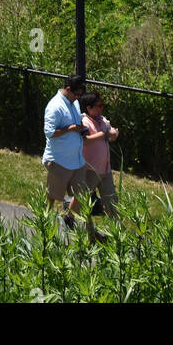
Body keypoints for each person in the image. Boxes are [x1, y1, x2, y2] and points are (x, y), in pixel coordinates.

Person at [42, 73, 102, 239]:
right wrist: (69, 129)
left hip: (76, 161)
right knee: (52, 198)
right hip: (59, 161)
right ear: (68, 89)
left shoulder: (74, 102)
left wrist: (81, 128)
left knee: (83, 197)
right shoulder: (55, 106)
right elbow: (49, 132)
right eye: (76, 94)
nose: (78, 97)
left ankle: (90, 233)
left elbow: (77, 122)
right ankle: (45, 230)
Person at [79, 92, 120, 218]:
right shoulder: (84, 122)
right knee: (85, 204)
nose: (102, 108)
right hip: (90, 170)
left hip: (105, 170)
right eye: (99, 105)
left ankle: (117, 234)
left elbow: (112, 132)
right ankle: (87, 233)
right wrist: (103, 134)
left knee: (112, 203)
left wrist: (113, 133)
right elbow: (85, 140)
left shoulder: (102, 120)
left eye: (102, 105)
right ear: (89, 108)